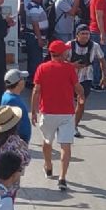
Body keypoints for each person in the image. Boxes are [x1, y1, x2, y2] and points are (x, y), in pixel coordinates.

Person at [31, 40, 85, 191]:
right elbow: (77, 87)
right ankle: (62, 177)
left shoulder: (42, 68)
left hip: (47, 112)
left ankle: (48, 166)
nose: (68, 52)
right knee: (65, 145)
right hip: (67, 113)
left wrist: (34, 110)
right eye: (66, 51)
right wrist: (81, 95)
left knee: (47, 142)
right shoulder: (69, 69)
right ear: (62, 54)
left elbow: (36, 91)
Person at [68, 25, 106, 128]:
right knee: (68, 102)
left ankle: (74, 126)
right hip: (69, 78)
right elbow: (59, 61)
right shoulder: (69, 45)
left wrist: (104, 76)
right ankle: (68, 121)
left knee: (81, 102)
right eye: (82, 34)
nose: (85, 36)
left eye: (87, 34)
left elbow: (102, 60)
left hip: (86, 78)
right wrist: (72, 65)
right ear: (77, 35)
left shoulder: (95, 46)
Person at [0, 69, 32, 143]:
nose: (24, 81)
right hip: (18, 141)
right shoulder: (12, 100)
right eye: (23, 79)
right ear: (19, 83)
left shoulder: (9, 96)